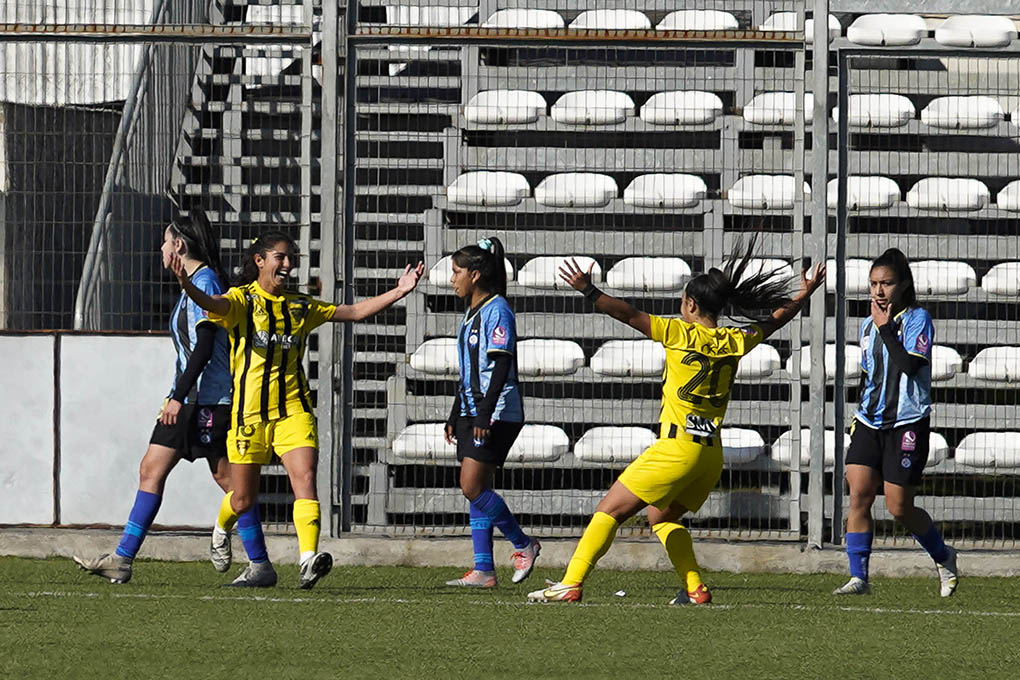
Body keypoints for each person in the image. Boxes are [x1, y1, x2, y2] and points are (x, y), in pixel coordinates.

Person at [529, 238, 825, 604]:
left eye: (683, 302)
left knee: (609, 510)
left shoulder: (678, 333)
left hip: (676, 446)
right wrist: (803, 294)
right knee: (660, 516)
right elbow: (773, 321)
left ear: (691, 304)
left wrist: (589, 290)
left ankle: (570, 583)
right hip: (709, 455)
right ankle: (695, 589)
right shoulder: (735, 340)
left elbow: (628, 314)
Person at [170, 230, 423, 588]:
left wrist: (400, 290)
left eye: (292, 259)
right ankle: (221, 526)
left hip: (293, 410)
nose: (288, 265)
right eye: (281, 258)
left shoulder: (300, 306)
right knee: (241, 499)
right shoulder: (243, 300)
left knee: (305, 478)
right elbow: (215, 306)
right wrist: (187, 285)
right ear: (260, 261)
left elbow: (350, 312)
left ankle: (307, 560)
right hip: (248, 417)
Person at [73, 212, 269, 584]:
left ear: (179, 245)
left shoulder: (206, 280)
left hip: (202, 402)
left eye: (165, 241)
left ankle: (258, 563)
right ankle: (125, 558)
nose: (161, 249)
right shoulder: (194, 283)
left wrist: (179, 397)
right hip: (196, 399)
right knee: (194, 476)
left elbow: (204, 345)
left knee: (224, 482)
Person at [833, 248, 958, 597]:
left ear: (902, 285)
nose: (878, 291)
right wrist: (858, 416)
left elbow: (909, 365)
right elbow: (868, 374)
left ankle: (944, 555)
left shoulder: (918, 319)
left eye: (886, 283)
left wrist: (886, 328)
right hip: (869, 421)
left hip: (907, 423)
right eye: (873, 283)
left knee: (898, 506)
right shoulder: (866, 326)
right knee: (858, 494)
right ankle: (859, 577)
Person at [442, 237, 540, 588]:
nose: (452, 279)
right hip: (473, 409)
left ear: (476, 274)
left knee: (470, 485)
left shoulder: (497, 309)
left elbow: (500, 366)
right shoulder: (472, 311)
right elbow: (469, 368)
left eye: (456, 272)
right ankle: (484, 569)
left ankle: (523, 544)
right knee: (477, 486)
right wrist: (457, 412)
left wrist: (484, 414)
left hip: (496, 410)